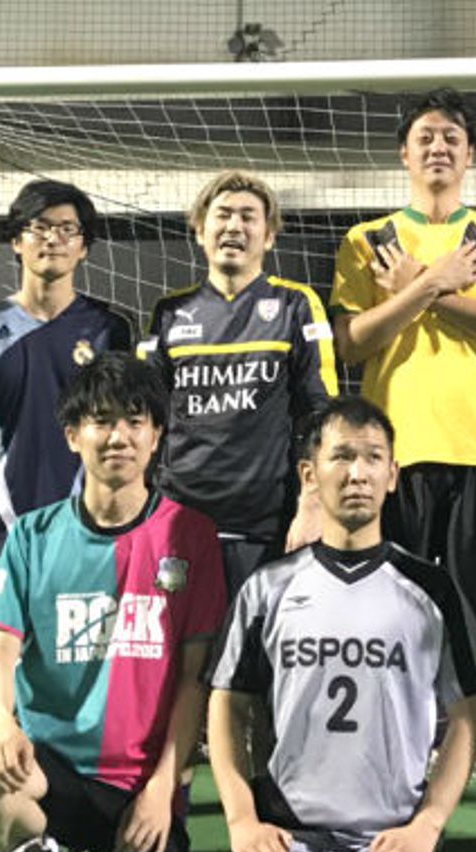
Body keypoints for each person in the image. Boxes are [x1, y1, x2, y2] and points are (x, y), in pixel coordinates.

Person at [207, 396, 476, 852]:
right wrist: (241, 818)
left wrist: (428, 825)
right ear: (310, 474)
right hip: (290, 835)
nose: (357, 472)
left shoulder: (430, 590)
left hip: (387, 838)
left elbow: (470, 714)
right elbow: (227, 702)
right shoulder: (268, 587)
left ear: (392, 474)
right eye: (340, 456)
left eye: (372, 458)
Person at [330, 87, 476, 852]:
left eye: (452, 135)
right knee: (389, 642)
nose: (438, 147)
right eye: (424, 135)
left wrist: (430, 288)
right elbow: (353, 343)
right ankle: (386, 817)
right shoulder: (367, 239)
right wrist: (428, 286)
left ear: (470, 153)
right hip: (392, 464)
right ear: (403, 151)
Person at [0, 354, 225, 852]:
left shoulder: (191, 536)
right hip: (51, 769)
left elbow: (195, 683)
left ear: (156, 435)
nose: (119, 436)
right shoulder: (32, 536)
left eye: (135, 421)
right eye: (101, 421)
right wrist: (1, 725)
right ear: (73, 435)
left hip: (139, 785)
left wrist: (163, 790)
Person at [0, 179, 133, 852]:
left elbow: (124, 430)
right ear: (16, 240)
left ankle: (72, 828)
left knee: (81, 687)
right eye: (39, 226)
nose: (53, 238)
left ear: (85, 246)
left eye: (67, 228)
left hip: (88, 542)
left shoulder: (111, 330)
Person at [138, 170, 337, 598]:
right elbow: (144, 417)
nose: (234, 226)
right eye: (223, 214)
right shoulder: (168, 312)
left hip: (267, 525)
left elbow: (322, 415)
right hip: (179, 522)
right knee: (183, 642)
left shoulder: (295, 304)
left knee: (259, 641)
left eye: (248, 216)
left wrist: (313, 501)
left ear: (269, 236)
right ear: (199, 230)